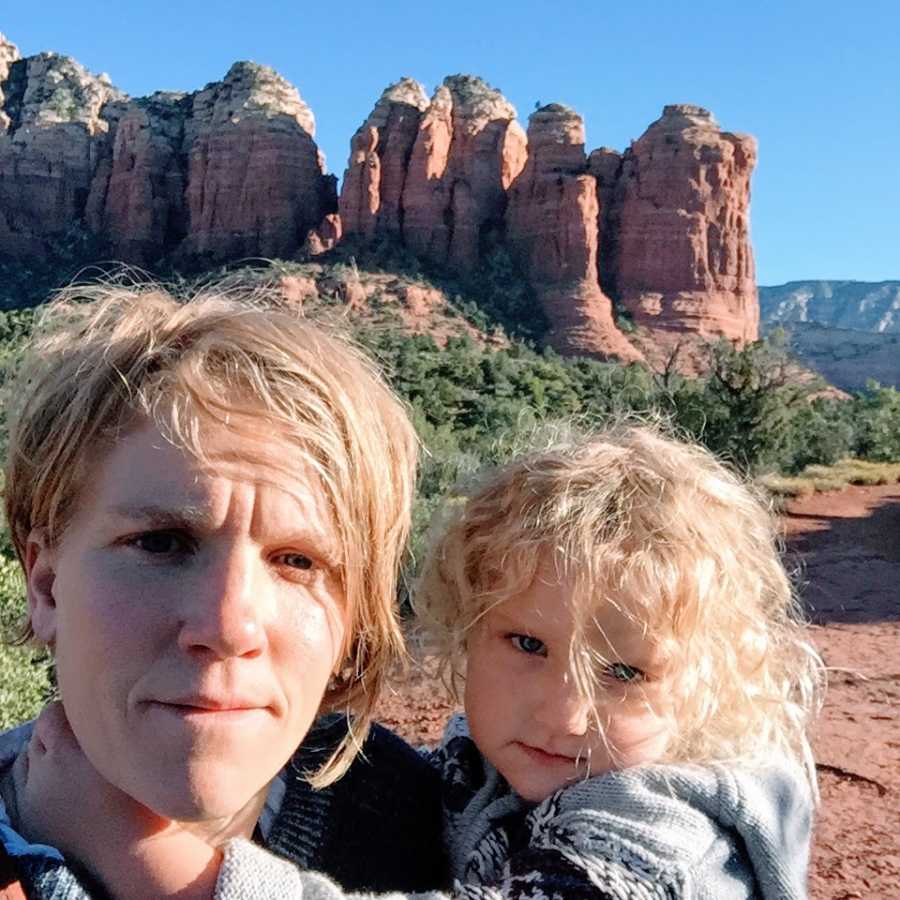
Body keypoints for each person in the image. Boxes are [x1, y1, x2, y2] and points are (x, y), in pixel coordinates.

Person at [16, 425, 824, 899]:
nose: (564, 710)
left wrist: (147, 857)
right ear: (467, 626)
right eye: (528, 646)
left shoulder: (663, 835)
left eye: (626, 673)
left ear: (715, 674)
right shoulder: (501, 766)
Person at [0, 283, 447, 898]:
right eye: (160, 543)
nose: (228, 625)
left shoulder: (444, 824)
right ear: (46, 585)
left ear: (354, 621)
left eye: (297, 560)